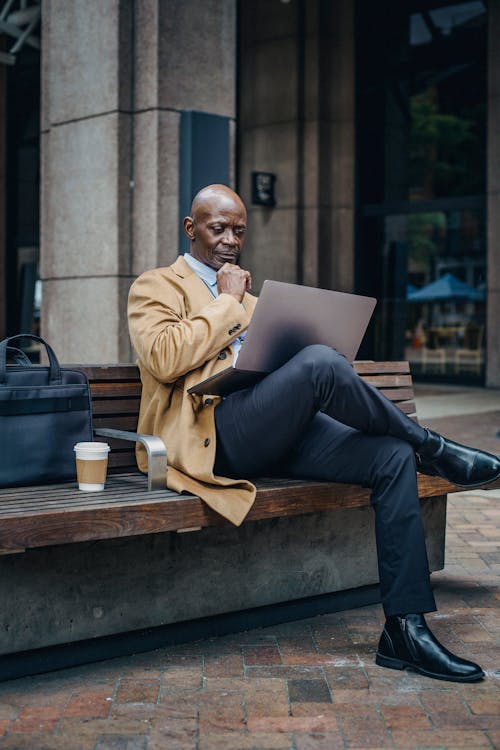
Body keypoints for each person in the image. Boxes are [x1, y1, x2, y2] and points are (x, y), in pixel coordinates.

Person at [128, 184, 500, 683]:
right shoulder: (155, 287)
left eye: (239, 230)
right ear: (190, 229)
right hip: (213, 436)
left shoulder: (259, 303)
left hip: (275, 429)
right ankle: (432, 447)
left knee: (389, 455)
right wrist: (228, 302)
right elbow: (164, 358)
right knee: (321, 364)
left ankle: (405, 630)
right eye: (218, 229)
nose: (230, 240)